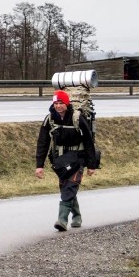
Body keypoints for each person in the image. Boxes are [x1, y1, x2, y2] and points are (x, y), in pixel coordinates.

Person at [35, 89, 99, 231]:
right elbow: (42, 143)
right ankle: (77, 216)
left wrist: (91, 164)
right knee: (66, 188)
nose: (58, 106)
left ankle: (62, 220)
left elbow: (88, 141)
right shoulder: (50, 119)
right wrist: (39, 165)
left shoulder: (77, 117)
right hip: (60, 160)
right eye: (56, 103)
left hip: (78, 158)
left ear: (67, 103)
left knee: (70, 186)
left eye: (61, 103)